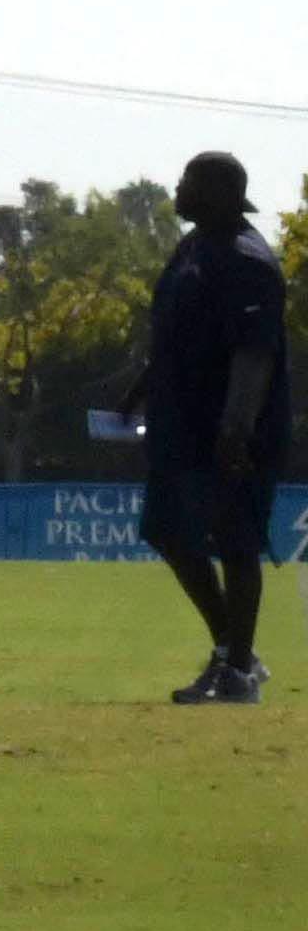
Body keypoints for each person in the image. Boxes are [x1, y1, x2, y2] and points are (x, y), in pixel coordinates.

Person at [131, 151, 279, 705]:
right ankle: (232, 651)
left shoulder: (249, 261)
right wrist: (139, 389)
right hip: (180, 426)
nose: (178, 187)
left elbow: (254, 355)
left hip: (229, 430)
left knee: (236, 543)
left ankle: (238, 673)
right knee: (167, 531)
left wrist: (236, 428)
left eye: (188, 181)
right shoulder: (191, 248)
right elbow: (175, 334)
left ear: (216, 192)